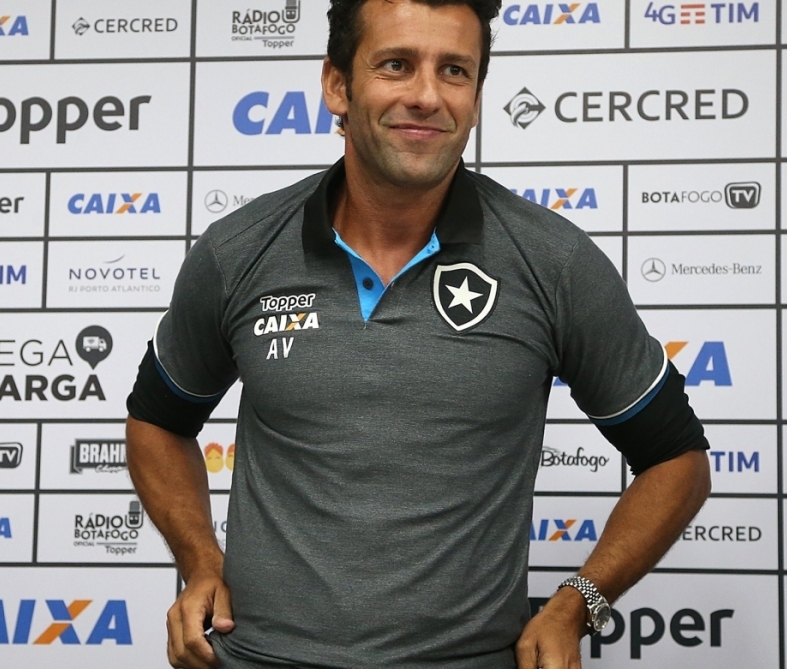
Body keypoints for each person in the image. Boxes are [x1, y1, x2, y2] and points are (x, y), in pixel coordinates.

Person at [125, 1, 712, 667]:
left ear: (477, 94)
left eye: (455, 71)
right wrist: (201, 561)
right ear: (338, 86)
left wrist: (578, 602)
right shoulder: (240, 251)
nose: (427, 96)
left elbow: (677, 460)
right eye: (397, 65)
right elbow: (156, 419)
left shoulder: (554, 261)